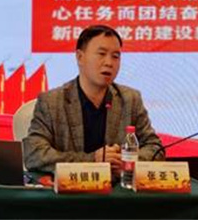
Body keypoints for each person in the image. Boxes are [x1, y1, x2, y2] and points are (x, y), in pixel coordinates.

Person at [23, 25, 164, 175]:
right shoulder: (51, 102)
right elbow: (34, 154)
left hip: (117, 187)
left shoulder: (130, 100)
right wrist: (92, 160)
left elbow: (155, 148)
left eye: (115, 56)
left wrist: (126, 161)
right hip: (70, 187)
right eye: (101, 54)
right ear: (80, 57)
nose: (109, 62)